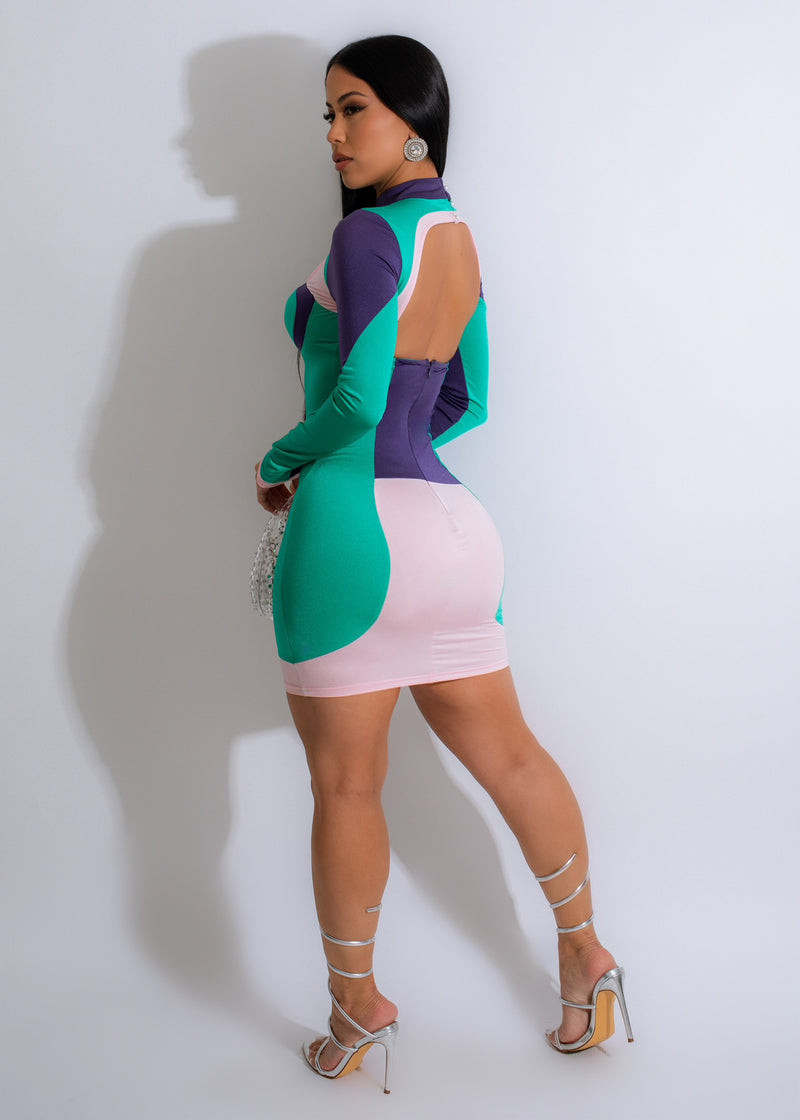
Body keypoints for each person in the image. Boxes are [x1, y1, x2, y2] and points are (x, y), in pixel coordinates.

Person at [254, 34, 633, 1093]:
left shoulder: (368, 234)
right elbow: (466, 400)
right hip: (455, 531)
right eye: (327, 114)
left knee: (346, 783)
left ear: (414, 120)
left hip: (350, 528)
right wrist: (395, 459)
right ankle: (585, 955)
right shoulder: (456, 237)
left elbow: (356, 399)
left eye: (353, 109)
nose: (334, 134)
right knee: (512, 755)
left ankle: (355, 1011)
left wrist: (280, 463)